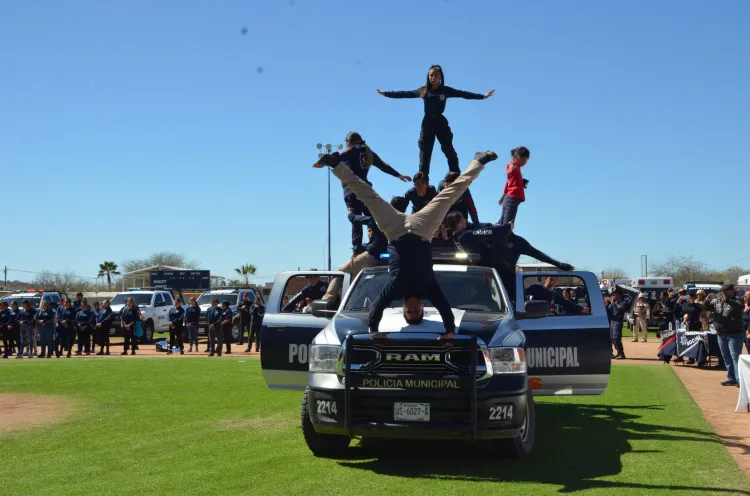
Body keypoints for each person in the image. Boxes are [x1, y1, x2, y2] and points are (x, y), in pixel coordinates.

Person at [314, 149, 500, 338]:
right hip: (423, 229)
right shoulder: (429, 288)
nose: (412, 309)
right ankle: (479, 161)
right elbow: (444, 307)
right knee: (452, 193)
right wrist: (450, 331)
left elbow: (377, 306)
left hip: (395, 230)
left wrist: (374, 331)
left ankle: (334, 163)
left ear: (403, 308)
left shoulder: (394, 288)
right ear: (422, 307)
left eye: (408, 312)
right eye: (416, 311)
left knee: (367, 194)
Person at [377, 64, 495, 179]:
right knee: (425, 152)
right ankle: (423, 178)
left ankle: (454, 171)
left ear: (440, 77)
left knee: (448, 147)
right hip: (427, 122)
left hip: (440, 121)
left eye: (435, 76)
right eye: (431, 76)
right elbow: (404, 94)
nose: (433, 78)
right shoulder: (424, 90)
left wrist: (482, 96)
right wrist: (386, 94)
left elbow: (463, 94)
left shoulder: (445, 90)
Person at [443, 211, 574, 303]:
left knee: (515, 295)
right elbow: (484, 231)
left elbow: (536, 253)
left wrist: (559, 264)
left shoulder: (458, 237)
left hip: (498, 272)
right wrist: (505, 227)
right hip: (493, 270)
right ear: (457, 224)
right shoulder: (465, 236)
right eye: (462, 220)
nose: (466, 221)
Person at [322, 131, 410, 251]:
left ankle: (357, 248)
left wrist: (324, 161)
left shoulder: (352, 150)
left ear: (348, 142)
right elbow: (383, 165)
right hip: (366, 190)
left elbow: (338, 156)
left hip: (351, 191)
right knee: (372, 214)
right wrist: (399, 175)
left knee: (354, 218)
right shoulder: (368, 152)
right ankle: (377, 242)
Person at [322, 203, 396, 303]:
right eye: (368, 231)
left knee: (340, 271)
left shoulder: (376, 219)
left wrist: (350, 212)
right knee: (361, 280)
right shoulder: (394, 221)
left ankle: (328, 300)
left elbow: (354, 219)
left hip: (371, 256)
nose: (370, 233)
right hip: (388, 257)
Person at [702, 283, 744, 387]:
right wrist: (707, 301)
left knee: (735, 357)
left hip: (734, 334)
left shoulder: (738, 300)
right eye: (722, 291)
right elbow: (704, 308)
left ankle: (739, 380)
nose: (723, 292)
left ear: (731, 291)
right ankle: (731, 378)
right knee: (726, 358)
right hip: (721, 334)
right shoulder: (716, 302)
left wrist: (726, 299)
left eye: (725, 290)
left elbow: (738, 307)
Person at [525, 276, 590, 316]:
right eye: (551, 279)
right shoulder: (536, 288)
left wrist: (581, 309)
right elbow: (522, 296)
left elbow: (565, 303)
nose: (553, 281)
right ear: (545, 279)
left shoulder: (554, 294)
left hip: (547, 318)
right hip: (534, 317)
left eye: (555, 279)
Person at [499, 147, 531, 225]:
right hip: (512, 198)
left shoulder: (517, 167)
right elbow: (509, 170)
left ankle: (500, 235)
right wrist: (511, 170)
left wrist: (503, 196)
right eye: (523, 159)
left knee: (503, 222)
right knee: (507, 224)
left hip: (511, 197)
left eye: (526, 160)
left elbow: (509, 183)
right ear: (516, 156)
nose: (524, 162)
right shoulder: (513, 165)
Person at [607, 289, 628, 360]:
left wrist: (613, 303)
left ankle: (622, 354)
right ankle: (619, 352)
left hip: (618, 321)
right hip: (612, 321)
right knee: (612, 338)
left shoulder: (623, 303)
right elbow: (608, 310)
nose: (613, 296)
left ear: (618, 295)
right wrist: (607, 303)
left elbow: (620, 309)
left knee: (616, 338)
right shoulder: (614, 303)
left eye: (614, 295)